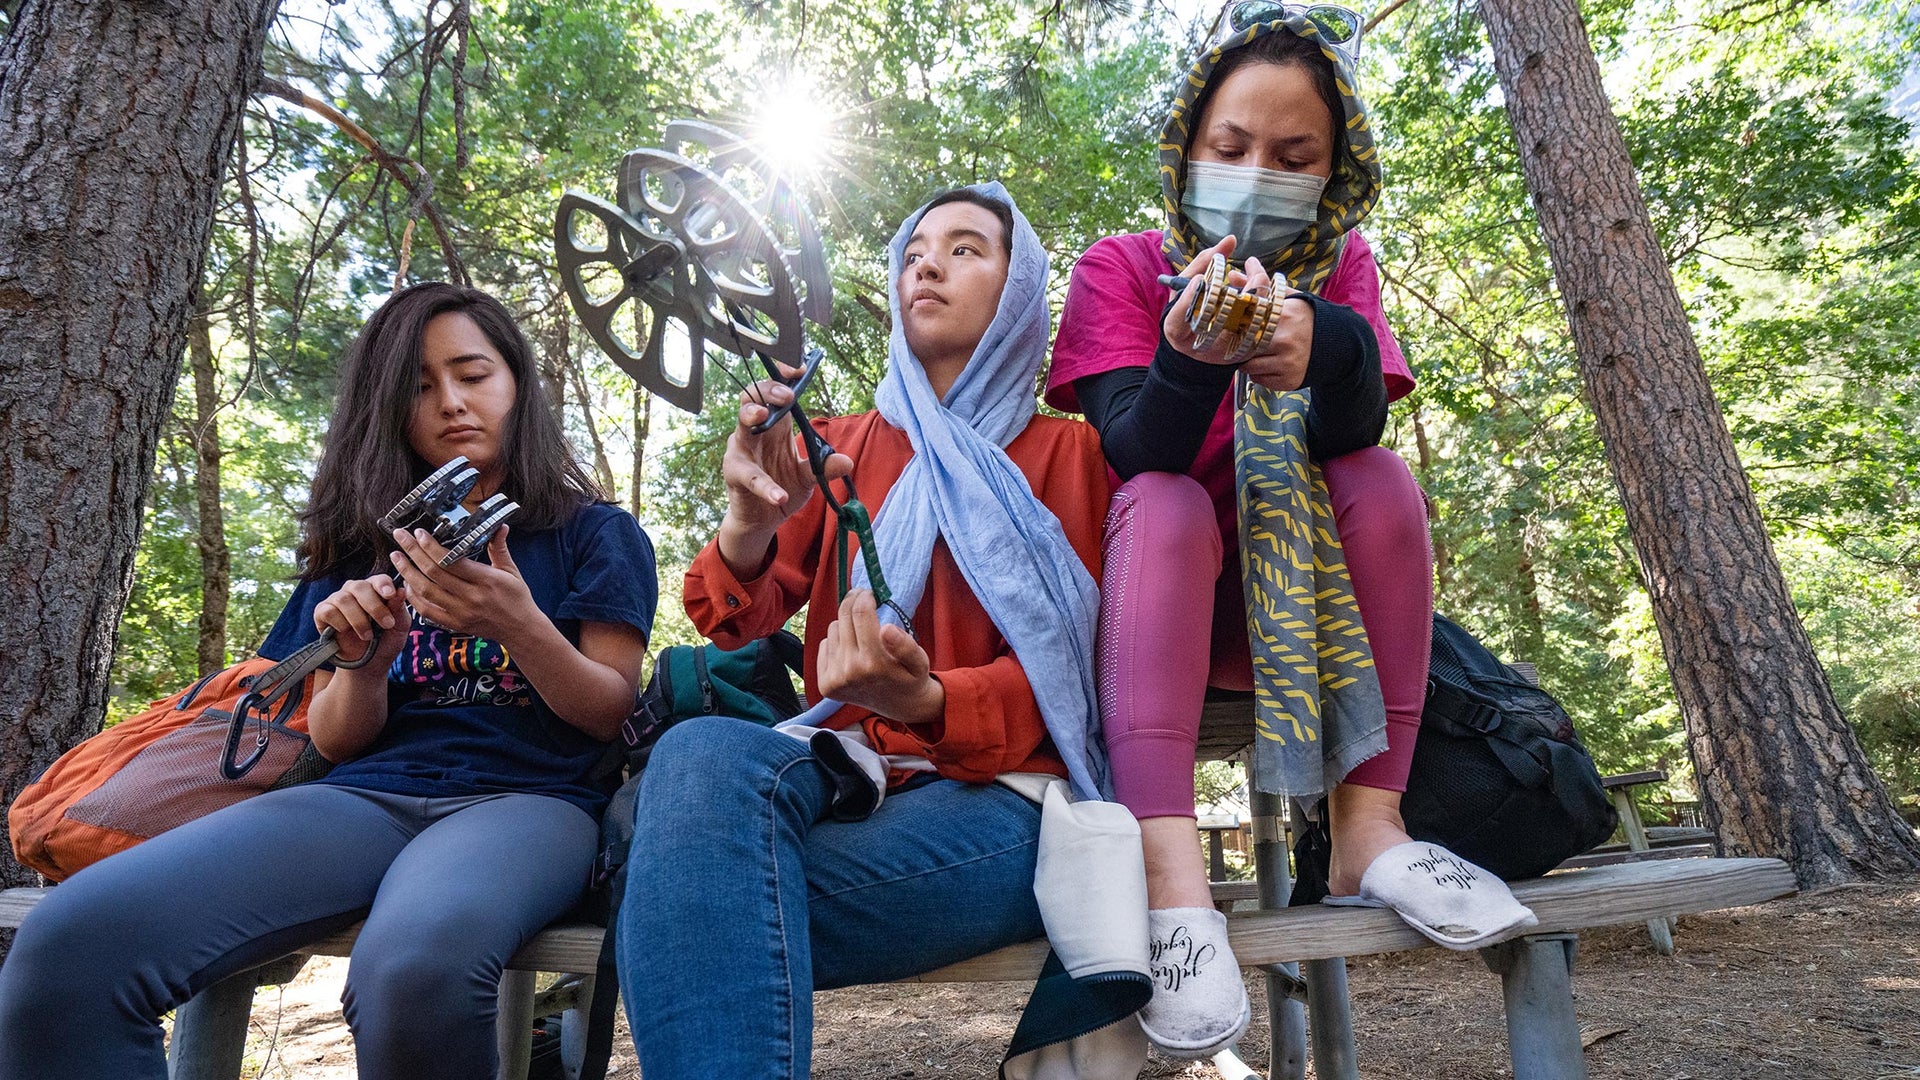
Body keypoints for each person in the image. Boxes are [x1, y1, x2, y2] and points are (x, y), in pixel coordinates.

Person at [0, 282, 658, 1080]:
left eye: (473, 373)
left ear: (516, 382)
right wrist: (363, 663)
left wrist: (517, 624)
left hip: (533, 804)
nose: (451, 402)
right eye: (419, 386)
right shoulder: (364, 545)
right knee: (68, 948)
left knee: (413, 971)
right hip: (361, 798)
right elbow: (336, 737)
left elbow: (607, 710)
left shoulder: (595, 533)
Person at [1047, 2, 1533, 1057]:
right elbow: (1133, 450)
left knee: (1383, 476)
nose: (1256, 169)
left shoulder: (1340, 271)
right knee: (1164, 499)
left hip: (1307, 619)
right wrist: (1191, 359)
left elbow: (1357, 429)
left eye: (1292, 153)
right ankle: (1173, 885)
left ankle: (1371, 828)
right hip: (1158, 615)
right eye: (1230, 147)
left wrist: (1332, 349)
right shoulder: (1120, 268)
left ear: (1333, 168)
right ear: (1188, 150)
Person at [616, 184, 1126, 1079]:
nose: (927, 263)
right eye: (916, 249)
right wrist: (748, 518)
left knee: (683, 890)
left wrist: (928, 701)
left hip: (1008, 806)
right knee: (696, 756)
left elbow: (1072, 680)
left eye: (967, 249)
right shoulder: (839, 442)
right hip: (845, 775)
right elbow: (733, 609)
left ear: (1019, 291)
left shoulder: (1073, 453)